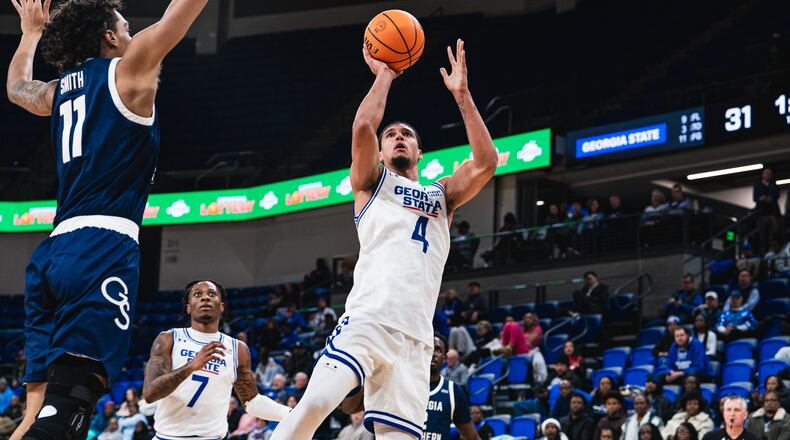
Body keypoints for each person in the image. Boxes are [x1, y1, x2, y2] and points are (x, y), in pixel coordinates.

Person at [272, 39, 498, 440]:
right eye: (390, 133)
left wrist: (462, 97)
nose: (397, 137)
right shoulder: (370, 183)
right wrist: (385, 74)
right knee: (315, 406)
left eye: (406, 134)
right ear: (378, 150)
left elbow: (485, 163)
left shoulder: (441, 194)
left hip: (415, 339)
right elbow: (362, 126)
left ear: (419, 151)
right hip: (368, 319)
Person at [7, 0, 213, 437]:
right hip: (102, 247)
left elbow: (16, 88)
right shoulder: (129, 68)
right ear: (109, 36)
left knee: (37, 410)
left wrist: (30, 34)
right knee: (73, 401)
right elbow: (181, 13)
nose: (131, 32)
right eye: (125, 26)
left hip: (52, 253)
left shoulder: (59, 90)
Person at [142, 280, 290, 439]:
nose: (205, 298)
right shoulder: (168, 339)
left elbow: (252, 402)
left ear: (221, 306)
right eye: (198, 294)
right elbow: (150, 394)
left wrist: (291, 413)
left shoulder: (237, 349)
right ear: (188, 307)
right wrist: (190, 367)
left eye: (212, 294)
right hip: (167, 437)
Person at [422, 336, 481, 440]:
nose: (433, 353)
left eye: (438, 350)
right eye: (429, 348)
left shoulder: (454, 391)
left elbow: (472, 437)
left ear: (445, 358)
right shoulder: (406, 386)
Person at [753, 168, 781, 254]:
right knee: (762, 234)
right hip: (762, 213)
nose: (768, 175)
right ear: (763, 175)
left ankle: (774, 250)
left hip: (772, 213)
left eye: (769, 173)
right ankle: (763, 252)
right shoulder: (757, 185)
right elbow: (755, 198)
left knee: (774, 233)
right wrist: (761, 198)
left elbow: (776, 196)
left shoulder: (774, 185)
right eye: (766, 173)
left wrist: (770, 198)